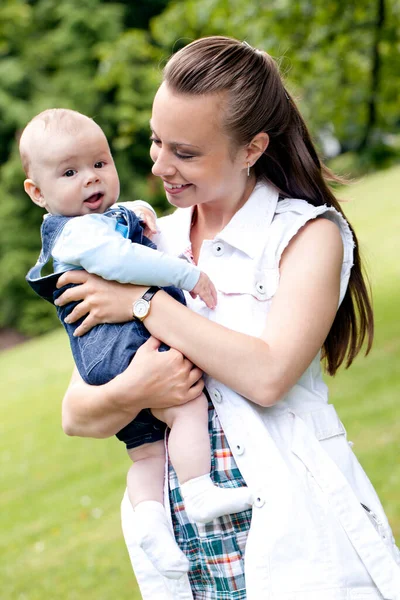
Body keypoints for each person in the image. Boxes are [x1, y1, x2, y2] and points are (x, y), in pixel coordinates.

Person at [55, 37, 400, 599]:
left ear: (251, 148)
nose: (160, 165)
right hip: (187, 549)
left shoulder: (306, 235)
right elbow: (77, 414)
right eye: (155, 141)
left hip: (298, 541)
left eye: (185, 152)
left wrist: (145, 303)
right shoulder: (145, 241)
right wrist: (137, 387)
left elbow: (267, 376)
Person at [21, 108, 253, 581]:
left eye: (100, 164)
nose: (91, 179)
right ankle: (200, 490)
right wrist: (185, 274)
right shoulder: (83, 233)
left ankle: (152, 528)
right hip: (128, 350)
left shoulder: (91, 224)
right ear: (37, 192)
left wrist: (135, 212)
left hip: (103, 362)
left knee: (147, 452)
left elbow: (119, 230)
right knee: (185, 407)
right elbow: (124, 261)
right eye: (70, 172)